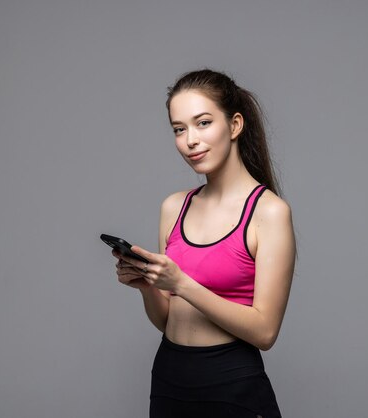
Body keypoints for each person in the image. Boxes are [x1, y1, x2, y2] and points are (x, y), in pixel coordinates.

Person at [111, 69, 295, 418]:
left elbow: (265, 331)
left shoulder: (268, 212)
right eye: (179, 129)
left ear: (235, 125)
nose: (190, 140)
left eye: (203, 123)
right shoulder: (174, 207)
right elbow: (168, 320)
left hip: (231, 385)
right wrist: (147, 286)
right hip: (169, 378)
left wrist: (181, 283)